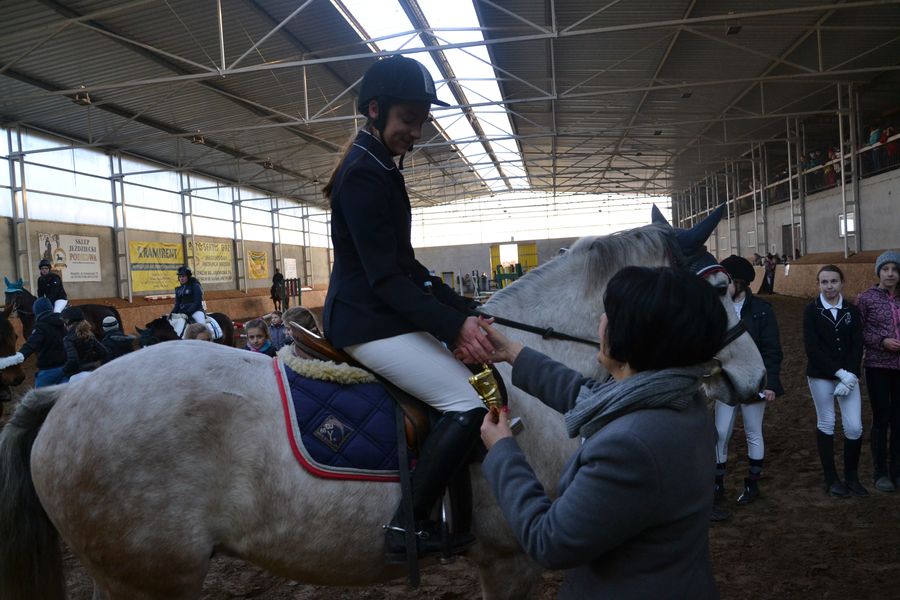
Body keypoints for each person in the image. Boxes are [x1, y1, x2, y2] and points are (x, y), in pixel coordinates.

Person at [322, 55, 491, 561]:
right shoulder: (363, 174)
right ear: (375, 110)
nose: (416, 133)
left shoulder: (379, 165)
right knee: (469, 402)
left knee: (474, 385)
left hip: (381, 313)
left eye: (421, 122)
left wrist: (460, 306)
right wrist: (454, 327)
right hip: (364, 320)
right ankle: (408, 523)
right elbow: (385, 278)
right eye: (408, 120)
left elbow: (406, 263)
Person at [479, 266, 722, 599]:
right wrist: (513, 353)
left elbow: (548, 541)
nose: (602, 320)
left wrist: (503, 450)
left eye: (609, 314)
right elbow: (589, 396)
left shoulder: (629, 449)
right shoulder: (680, 397)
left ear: (631, 336)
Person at [715, 255, 784, 505]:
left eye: (727, 282)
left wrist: (771, 382)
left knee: (753, 432)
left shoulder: (762, 310)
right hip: (725, 381)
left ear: (739, 283)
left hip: (753, 380)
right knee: (721, 433)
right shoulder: (716, 310)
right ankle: (717, 485)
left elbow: (772, 349)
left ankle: (752, 484)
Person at [803, 265, 867, 497]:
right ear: (819, 284)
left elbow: (856, 345)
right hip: (821, 375)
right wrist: (840, 373)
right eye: (824, 282)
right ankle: (831, 479)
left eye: (834, 281)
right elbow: (813, 348)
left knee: (854, 426)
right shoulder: (811, 311)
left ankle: (852, 476)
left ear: (841, 283)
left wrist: (850, 376)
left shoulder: (852, 310)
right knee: (827, 422)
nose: (829, 286)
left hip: (848, 377)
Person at [857, 250, 900, 492]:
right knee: (881, 419)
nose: (890, 274)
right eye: (886, 269)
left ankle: (897, 470)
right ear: (879, 272)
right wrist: (882, 341)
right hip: (877, 366)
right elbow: (859, 331)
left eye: (894, 270)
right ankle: (880, 472)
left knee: (899, 420)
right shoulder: (866, 299)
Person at [7, 297, 68, 387]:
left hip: (48, 371)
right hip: (66, 368)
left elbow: (30, 346)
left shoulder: (40, 327)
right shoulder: (63, 324)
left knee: (38, 395)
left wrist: (16, 358)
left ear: (37, 312)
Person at [61, 307, 108, 383]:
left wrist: (63, 370)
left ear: (68, 323)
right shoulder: (90, 335)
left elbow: (73, 360)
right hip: (92, 372)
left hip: (77, 376)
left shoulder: (68, 339)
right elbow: (103, 352)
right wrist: (90, 359)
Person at [172, 266, 212, 338]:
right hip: (182, 313)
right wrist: (172, 314)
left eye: (183, 276)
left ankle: (207, 339)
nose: (181, 278)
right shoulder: (178, 289)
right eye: (180, 276)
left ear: (188, 276)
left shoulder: (195, 286)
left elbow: (197, 302)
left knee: (202, 325)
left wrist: (187, 313)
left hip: (196, 311)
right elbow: (177, 304)